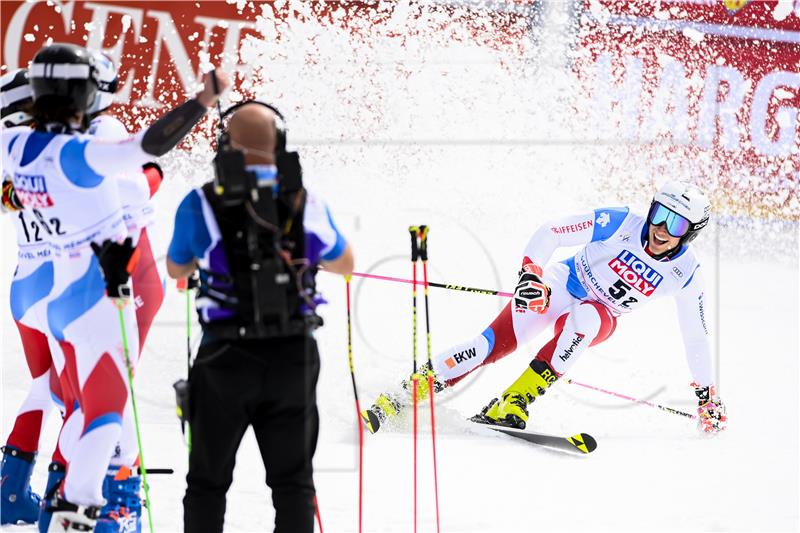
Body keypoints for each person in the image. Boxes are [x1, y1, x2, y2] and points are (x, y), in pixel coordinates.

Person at [2, 42, 230, 531]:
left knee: (71, 402)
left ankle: (63, 507)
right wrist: (202, 102)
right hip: (104, 296)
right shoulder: (87, 145)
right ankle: (96, 510)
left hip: (51, 295)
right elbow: (147, 153)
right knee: (102, 412)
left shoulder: (13, 146)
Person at [363, 181, 727, 435]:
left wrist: (706, 395)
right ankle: (403, 393)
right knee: (487, 346)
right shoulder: (622, 222)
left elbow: (696, 335)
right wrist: (531, 275)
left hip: (599, 316)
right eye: (660, 214)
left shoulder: (685, 273)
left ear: (691, 232)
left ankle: (512, 401)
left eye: (676, 223)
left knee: (585, 318)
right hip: (559, 285)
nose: (662, 228)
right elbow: (553, 231)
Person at [166, 101, 354, 533]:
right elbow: (344, 262)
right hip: (294, 355)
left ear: (224, 146)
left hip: (224, 356)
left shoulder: (199, 202)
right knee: (293, 484)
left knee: (207, 484)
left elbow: (177, 268)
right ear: (281, 144)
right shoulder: (308, 201)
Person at [0, 66, 68, 527]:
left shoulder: (6, 147)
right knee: (80, 403)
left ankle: (9, 491)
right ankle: (59, 505)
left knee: (44, 390)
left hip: (25, 285)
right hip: (63, 286)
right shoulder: (54, 147)